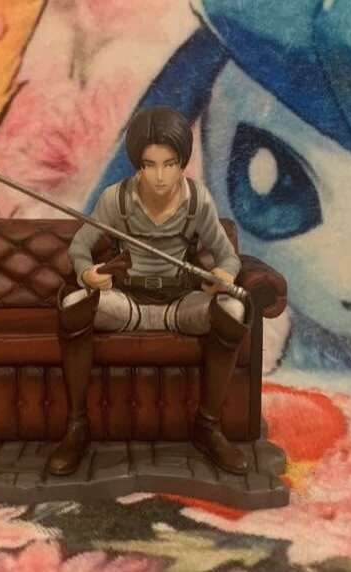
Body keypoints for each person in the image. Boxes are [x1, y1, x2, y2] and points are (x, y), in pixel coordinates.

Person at [47, 106, 251, 476]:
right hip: (127, 304)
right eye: (149, 165)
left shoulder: (198, 200)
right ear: (137, 164)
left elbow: (228, 257)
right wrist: (88, 274)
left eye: (169, 164)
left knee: (233, 311)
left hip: (180, 305)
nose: (160, 176)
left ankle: (208, 426)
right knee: (74, 304)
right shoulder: (115, 199)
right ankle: (77, 426)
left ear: (182, 162)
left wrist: (223, 275)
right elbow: (79, 248)